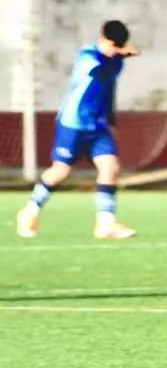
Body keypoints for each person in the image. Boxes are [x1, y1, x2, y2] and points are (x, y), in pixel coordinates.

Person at [15, 20, 140, 240]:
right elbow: (98, 68)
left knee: (110, 167)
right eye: (113, 45)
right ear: (103, 40)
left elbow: (108, 90)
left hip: (98, 125)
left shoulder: (116, 62)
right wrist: (120, 54)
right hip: (74, 123)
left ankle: (105, 223)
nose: (115, 49)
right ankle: (30, 210)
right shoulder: (88, 55)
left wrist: (110, 120)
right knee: (60, 171)